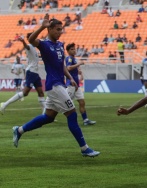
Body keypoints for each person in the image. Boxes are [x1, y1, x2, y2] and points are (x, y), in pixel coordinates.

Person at [12, 14, 100, 157]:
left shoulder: (60, 45)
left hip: (60, 84)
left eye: (61, 30)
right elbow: (31, 40)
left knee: (48, 117)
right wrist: (42, 26)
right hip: (54, 86)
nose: (60, 32)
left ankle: (19, 130)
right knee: (72, 114)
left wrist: (70, 78)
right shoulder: (45, 45)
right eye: (57, 29)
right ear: (50, 29)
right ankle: (84, 148)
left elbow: (62, 66)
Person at [0, 34, 46, 115]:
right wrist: (23, 41)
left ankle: (45, 114)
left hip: (35, 73)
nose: (35, 39)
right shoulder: (29, 46)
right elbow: (26, 46)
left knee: (41, 92)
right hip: (31, 72)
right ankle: (4, 104)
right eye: (33, 37)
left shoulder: (34, 48)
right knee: (25, 93)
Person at [65, 43, 96, 126]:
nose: (74, 50)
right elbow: (68, 68)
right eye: (71, 49)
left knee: (82, 102)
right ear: (68, 51)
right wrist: (79, 64)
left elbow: (72, 69)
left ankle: (85, 120)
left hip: (76, 86)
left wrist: (78, 72)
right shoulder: (69, 58)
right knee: (64, 102)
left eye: (74, 49)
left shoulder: (74, 59)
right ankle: (49, 114)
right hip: (71, 85)